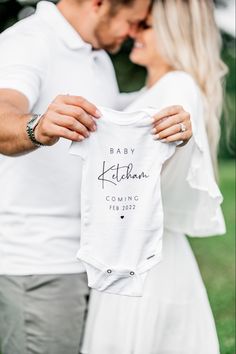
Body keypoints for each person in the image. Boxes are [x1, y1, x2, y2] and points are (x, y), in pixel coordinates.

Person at [0, 0, 192, 353]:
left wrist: (169, 114)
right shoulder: (27, 41)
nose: (134, 32)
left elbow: (112, 119)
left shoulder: (98, 55)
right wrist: (37, 125)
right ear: (99, 4)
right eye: (133, 22)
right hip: (41, 264)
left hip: (98, 258)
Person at [81, 1, 227, 353]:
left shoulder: (177, 87)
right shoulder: (150, 93)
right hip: (137, 251)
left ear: (176, 34)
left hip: (145, 258)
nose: (133, 32)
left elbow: (151, 159)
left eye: (145, 26)